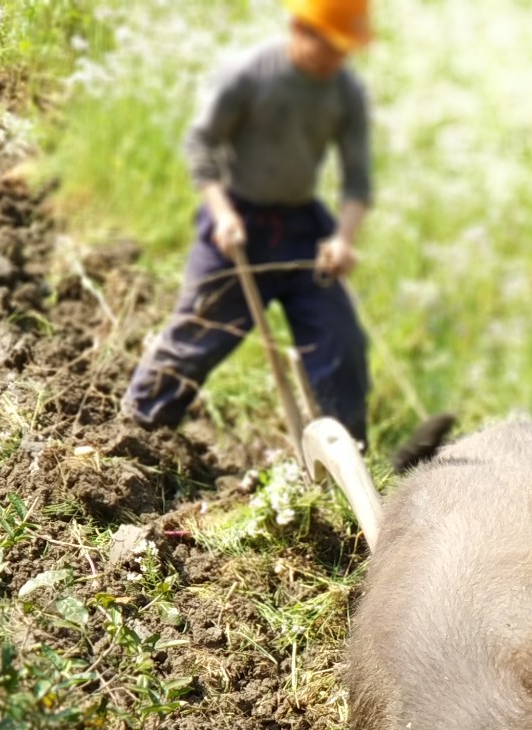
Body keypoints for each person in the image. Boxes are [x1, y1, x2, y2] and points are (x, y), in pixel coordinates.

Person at [122, 0, 374, 444]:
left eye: (344, 50)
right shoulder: (251, 73)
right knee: (197, 335)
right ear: (300, 29)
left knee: (341, 344)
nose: (337, 59)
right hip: (239, 223)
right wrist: (222, 214)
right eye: (330, 47)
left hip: (304, 231)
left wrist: (343, 239)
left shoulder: (345, 90)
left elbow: (357, 180)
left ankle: (345, 456)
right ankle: (138, 432)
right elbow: (201, 145)